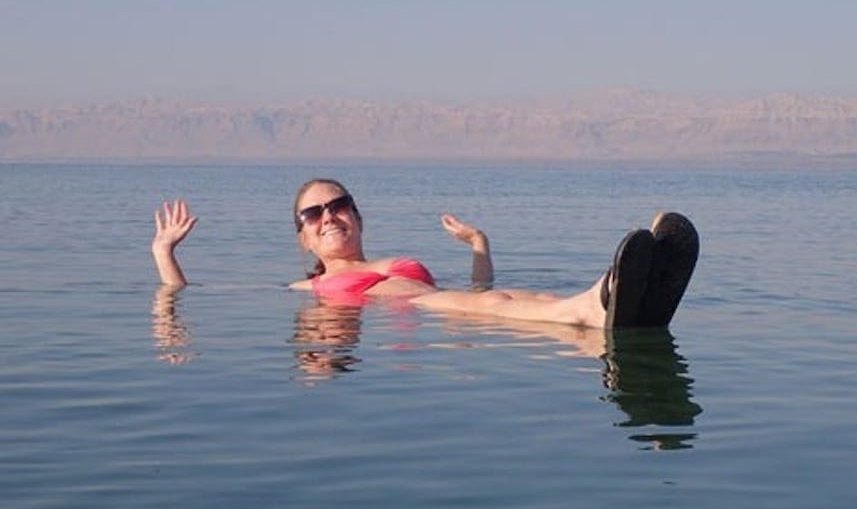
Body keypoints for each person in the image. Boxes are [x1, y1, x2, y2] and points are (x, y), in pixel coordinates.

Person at [152, 178, 698, 328]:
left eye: (338, 205)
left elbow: (481, 289)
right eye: (313, 215)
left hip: (447, 305)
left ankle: (601, 318)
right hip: (417, 313)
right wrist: (165, 254)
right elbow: (189, 298)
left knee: (506, 297)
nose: (329, 216)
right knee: (494, 308)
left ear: (358, 216)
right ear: (303, 238)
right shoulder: (308, 289)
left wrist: (480, 245)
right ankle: (593, 306)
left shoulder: (394, 260)